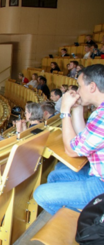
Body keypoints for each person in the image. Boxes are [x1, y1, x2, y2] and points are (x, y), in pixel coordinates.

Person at [34, 64, 104, 214]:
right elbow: (81, 140)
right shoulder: (100, 112)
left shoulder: (101, 116)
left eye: (79, 86)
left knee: (41, 194)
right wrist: (77, 108)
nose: (77, 91)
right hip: (97, 173)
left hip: (101, 184)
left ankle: (88, 228)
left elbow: (72, 150)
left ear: (92, 87)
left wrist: (65, 111)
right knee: (55, 175)